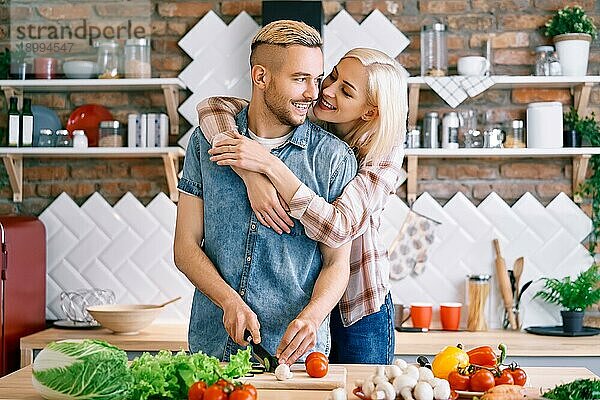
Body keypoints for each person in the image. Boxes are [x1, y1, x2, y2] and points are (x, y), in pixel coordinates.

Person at [198, 47, 408, 364]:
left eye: (345, 90)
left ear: (369, 112)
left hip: (357, 307)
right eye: (333, 76)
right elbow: (213, 107)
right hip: (303, 300)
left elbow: (338, 228)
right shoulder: (310, 120)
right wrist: (248, 173)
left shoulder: (384, 157)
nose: (326, 90)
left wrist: (270, 166)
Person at [173, 20, 358, 365]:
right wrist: (228, 300)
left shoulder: (332, 157)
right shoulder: (205, 143)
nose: (313, 93)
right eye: (300, 79)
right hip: (213, 350)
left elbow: (336, 262)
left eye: (316, 80)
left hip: (296, 355)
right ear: (261, 77)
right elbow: (185, 247)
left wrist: (313, 317)